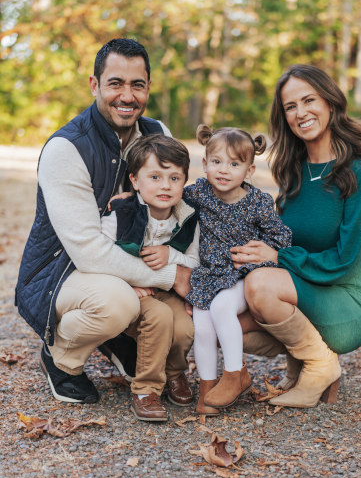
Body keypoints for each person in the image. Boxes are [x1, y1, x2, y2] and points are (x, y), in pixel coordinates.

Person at [15, 38, 193, 406]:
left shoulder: (157, 133)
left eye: (137, 85)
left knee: (178, 319)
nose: (127, 95)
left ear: (147, 88)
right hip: (61, 270)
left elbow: (181, 204)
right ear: (95, 85)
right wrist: (171, 276)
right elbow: (89, 253)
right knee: (118, 305)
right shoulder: (66, 148)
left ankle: (119, 339)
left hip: (132, 257)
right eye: (115, 83)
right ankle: (62, 357)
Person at [231, 64, 361, 408]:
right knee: (224, 315)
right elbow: (283, 240)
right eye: (290, 106)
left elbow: (346, 263)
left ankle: (319, 366)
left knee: (261, 286)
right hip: (305, 290)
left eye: (308, 100)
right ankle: (299, 359)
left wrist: (276, 258)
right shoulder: (294, 172)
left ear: (330, 102)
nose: (300, 113)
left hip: (347, 301)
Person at [183, 125, 292, 416]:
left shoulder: (258, 202)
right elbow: (166, 198)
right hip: (209, 276)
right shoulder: (199, 193)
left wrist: (264, 251)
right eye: (216, 162)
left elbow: (281, 238)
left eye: (234, 164)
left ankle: (236, 375)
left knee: (221, 308)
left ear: (249, 170)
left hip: (242, 274)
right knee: (202, 329)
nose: (223, 170)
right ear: (205, 164)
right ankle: (207, 389)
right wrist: (130, 199)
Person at [101, 135, 199, 421]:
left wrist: (171, 255)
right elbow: (100, 255)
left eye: (174, 178)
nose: (165, 186)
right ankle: (145, 388)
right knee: (158, 318)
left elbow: (193, 262)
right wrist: (129, 283)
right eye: (154, 176)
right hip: (133, 291)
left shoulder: (189, 218)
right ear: (135, 179)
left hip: (168, 289)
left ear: (184, 182)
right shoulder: (121, 214)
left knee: (183, 326)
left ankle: (174, 373)